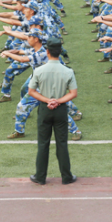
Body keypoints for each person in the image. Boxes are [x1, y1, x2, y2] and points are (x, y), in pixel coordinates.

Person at [28, 37, 77, 185]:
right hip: (60, 110)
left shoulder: (39, 70)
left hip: (45, 109)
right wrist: (58, 101)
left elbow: (31, 91)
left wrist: (48, 100)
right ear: (60, 52)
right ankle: (66, 176)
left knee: (43, 144)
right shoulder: (68, 71)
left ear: (47, 51)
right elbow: (73, 93)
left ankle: (40, 176)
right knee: (62, 143)